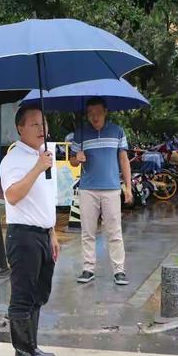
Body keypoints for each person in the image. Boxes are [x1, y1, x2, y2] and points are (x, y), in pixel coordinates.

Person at [0, 105, 60, 356]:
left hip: (43, 234)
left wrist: (53, 233)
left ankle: (32, 345)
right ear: (20, 129)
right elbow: (12, 195)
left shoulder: (45, 154)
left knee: (38, 294)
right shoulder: (13, 158)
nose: (41, 128)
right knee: (23, 296)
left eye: (43, 122)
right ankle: (22, 353)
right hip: (22, 235)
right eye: (34, 124)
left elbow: (47, 199)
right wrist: (37, 167)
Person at [69, 97, 133, 286]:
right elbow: (72, 160)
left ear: (105, 111)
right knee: (87, 231)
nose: (94, 117)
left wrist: (128, 187)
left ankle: (119, 270)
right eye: (90, 113)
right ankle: (88, 268)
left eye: (97, 112)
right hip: (87, 188)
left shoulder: (117, 131)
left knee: (114, 232)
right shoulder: (80, 134)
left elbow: (123, 160)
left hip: (112, 189)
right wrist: (76, 158)